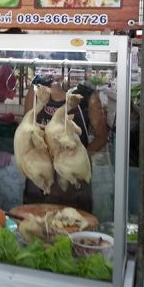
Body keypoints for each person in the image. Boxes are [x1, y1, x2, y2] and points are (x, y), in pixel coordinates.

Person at [22, 75, 108, 211]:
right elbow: (26, 131)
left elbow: (102, 137)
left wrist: (75, 159)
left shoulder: (87, 95)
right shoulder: (37, 91)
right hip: (41, 176)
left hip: (73, 180)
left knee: (75, 223)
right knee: (37, 222)